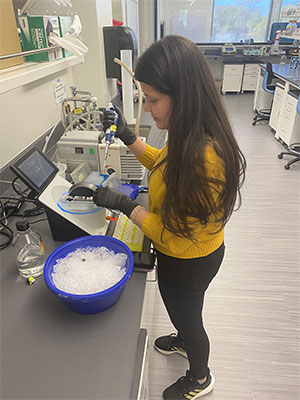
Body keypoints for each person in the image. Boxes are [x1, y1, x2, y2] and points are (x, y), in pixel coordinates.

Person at [93, 35, 246, 399]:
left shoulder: (204, 157)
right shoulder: (189, 132)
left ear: (184, 95)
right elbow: (164, 165)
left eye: (153, 100)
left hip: (190, 257)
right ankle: (182, 335)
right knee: (184, 306)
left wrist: (125, 205)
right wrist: (128, 137)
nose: (148, 109)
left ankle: (200, 377)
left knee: (189, 315)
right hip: (193, 254)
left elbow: (174, 237)